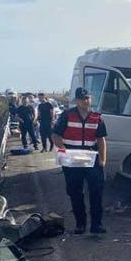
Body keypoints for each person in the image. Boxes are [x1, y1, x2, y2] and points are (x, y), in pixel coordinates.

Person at [52, 87, 108, 234]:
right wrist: (64, 151)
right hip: (72, 160)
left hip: (91, 158)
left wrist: (102, 159)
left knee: (96, 192)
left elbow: (101, 140)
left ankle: (97, 224)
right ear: (76, 100)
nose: (86, 101)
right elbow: (56, 136)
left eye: (88, 98)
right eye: (83, 98)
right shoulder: (67, 115)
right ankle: (80, 224)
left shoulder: (97, 117)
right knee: (75, 192)